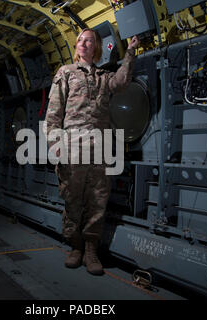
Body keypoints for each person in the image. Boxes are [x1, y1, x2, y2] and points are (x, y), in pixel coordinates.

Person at [45, 28, 139, 275]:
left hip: (99, 148)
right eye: (80, 40)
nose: (83, 43)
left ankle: (90, 250)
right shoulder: (66, 72)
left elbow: (122, 82)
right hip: (72, 147)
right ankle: (75, 246)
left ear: (96, 47)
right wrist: (55, 144)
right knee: (72, 198)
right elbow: (54, 111)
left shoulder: (104, 77)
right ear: (76, 47)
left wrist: (130, 52)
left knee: (97, 199)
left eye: (89, 40)